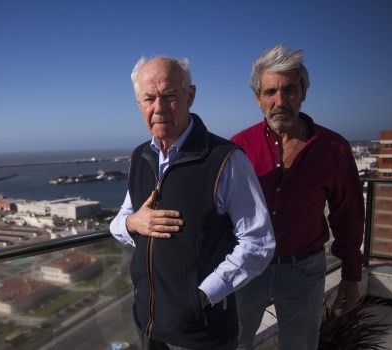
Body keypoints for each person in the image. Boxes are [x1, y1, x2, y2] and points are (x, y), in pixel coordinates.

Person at [109, 56, 275, 350]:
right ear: (139, 104)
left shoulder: (225, 160)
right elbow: (122, 219)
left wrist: (201, 296)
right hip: (148, 324)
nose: (158, 108)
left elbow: (258, 243)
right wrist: (132, 222)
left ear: (190, 96)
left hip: (201, 333)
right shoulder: (139, 158)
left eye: (169, 95)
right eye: (149, 98)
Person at [231, 45, 365, 350]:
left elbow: (349, 215)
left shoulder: (334, 149)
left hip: (303, 272)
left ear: (303, 92)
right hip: (248, 268)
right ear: (258, 99)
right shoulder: (239, 148)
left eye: (289, 89)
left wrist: (351, 275)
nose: (280, 101)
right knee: (233, 343)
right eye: (270, 92)